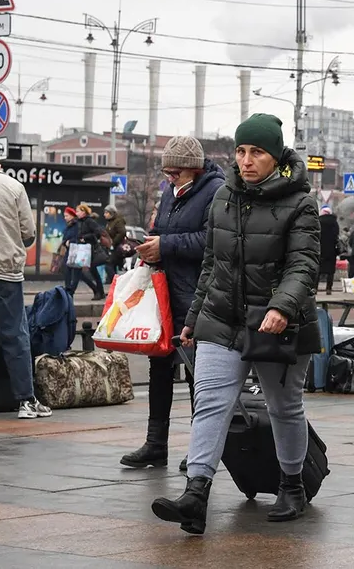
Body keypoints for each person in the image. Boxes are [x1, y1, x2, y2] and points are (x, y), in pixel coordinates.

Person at [151, 114, 321, 535]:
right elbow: (212, 263)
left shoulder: (301, 203)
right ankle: (196, 493)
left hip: (275, 324)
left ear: (276, 155)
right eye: (241, 151)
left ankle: (292, 486)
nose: (246, 160)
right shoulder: (224, 196)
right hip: (221, 318)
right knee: (210, 403)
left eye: (257, 152)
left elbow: (304, 263)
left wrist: (281, 306)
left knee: (285, 407)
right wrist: (192, 318)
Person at [122, 136, 223, 470]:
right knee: (159, 369)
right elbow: (160, 228)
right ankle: (155, 444)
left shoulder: (215, 191)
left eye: (175, 172)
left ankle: (199, 450)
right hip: (165, 293)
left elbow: (212, 242)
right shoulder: (171, 192)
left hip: (197, 294)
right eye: (166, 173)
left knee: (198, 373)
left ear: (193, 168)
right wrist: (148, 242)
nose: (169, 179)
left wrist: (165, 245)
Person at [0, 147, 53, 420]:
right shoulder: (13, 186)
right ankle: (26, 402)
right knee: (15, 337)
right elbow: (28, 233)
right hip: (6, 273)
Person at [61, 204, 106, 301]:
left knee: (92, 272)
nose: (76, 213)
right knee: (85, 272)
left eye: (78, 211)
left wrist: (84, 238)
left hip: (90, 250)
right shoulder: (78, 222)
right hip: (82, 250)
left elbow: (97, 233)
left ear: (83, 212)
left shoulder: (89, 221)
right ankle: (98, 291)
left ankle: (99, 292)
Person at [102, 205, 128, 285]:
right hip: (111, 248)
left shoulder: (118, 221)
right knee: (112, 266)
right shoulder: (109, 222)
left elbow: (122, 232)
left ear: (112, 213)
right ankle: (115, 286)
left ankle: (117, 284)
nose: (104, 214)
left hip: (117, 248)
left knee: (108, 265)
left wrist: (113, 242)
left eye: (106, 212)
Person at [318, 207, 340, 295]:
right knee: (330, 271)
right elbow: (336, 236)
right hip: (331, 249)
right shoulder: (334, 222)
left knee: (318, 269)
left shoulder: (318, 221)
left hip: (319, 248)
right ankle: (328, 289)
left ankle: (314, 289)